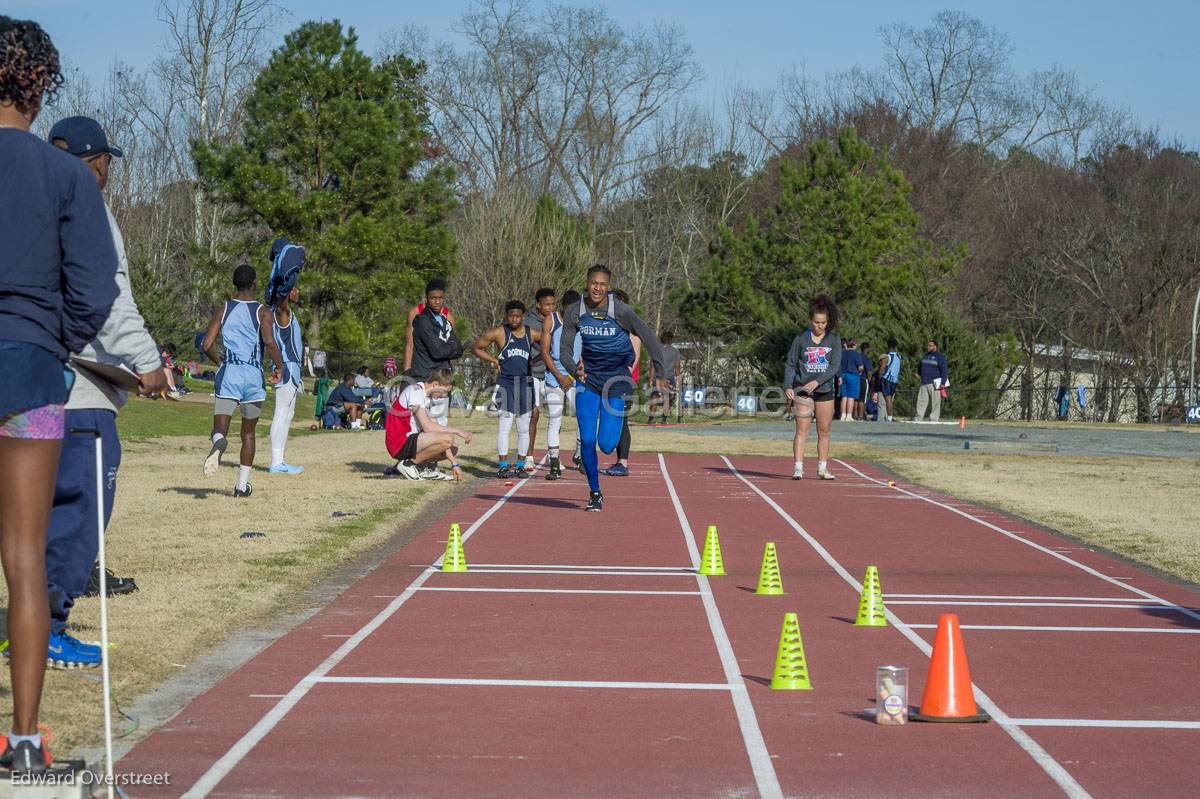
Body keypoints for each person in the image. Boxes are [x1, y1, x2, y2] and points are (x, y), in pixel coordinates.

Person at [0, 17, 121, 773]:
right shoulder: (71, 176)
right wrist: (53, 338)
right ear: (41, 85)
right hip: (31, 371)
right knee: (24, 553)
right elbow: (96, 289)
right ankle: (22, 742)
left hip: (31, 354)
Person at [38, 115, 166, 670]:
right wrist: (147, 361)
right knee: (79, 511)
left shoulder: (23, 204)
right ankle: (48, 628)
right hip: (80, 396)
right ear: (97, 163)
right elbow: (109, 298)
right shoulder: (86, 206)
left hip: (27, 386)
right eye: (107, 161)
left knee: (30, 514)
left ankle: (26, 621)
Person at [560, 265, 668, 512]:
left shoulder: (620, 310)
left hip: (617, 380)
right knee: (587, 440)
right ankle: (595, 492)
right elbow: (564, 347)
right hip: (588, 379)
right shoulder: (575, 311)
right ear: (586, 284)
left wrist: (660, 372)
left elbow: (649, 337)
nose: (598, 288)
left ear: (608, 287)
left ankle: (607, 457)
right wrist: (571, 367)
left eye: (602, 284)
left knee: (607, 444)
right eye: (593, 283)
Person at [200, 265, 285, 497]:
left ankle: (218, 441)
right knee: (248, 434)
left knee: (220, 427)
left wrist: (220, 362)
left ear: (235, 283)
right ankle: (241, 486)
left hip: (230, 373)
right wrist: (279, 366)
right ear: (254, 283)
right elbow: (268, 342)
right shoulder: (263, 312)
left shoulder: (224, 309)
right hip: (253, 377)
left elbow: (206, 345)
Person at [472, 301, 542, 478]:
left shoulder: (531, 333)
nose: (514, 319)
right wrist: (493, 360)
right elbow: (477, 347)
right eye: (511, 315)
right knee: (505, 425)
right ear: (506, 315)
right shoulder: (499, 332)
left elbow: (549, 344)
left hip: (525, 383)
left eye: (518, 315)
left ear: (523, 316)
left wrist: (539, 358)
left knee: (523, 427)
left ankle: (520, 464)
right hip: (506, 383)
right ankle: (503, 465)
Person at [783, 296, 842, 480]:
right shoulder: (800, 339)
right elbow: (791, 363)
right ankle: (798, 468)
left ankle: (822, 468)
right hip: (803, 390)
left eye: (823, 323)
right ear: (811, 321)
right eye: (816, 322)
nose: (820, 326)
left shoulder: (833, 340)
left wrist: (818, 381)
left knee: (824, 430)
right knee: (802, 429)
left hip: (825, 391)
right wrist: (788, 385)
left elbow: (834, 366)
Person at [384, 368, 473, 480]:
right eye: (444, 391)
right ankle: (408, 464)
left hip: (410, 439)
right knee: (448, 438)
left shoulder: (427, 398)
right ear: (435, 384)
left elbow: (437, 431)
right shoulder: (415, 391)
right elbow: (428, 427)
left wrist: (454, 464)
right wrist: (458, 431)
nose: (444, 396)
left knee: (452, 447)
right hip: (399, 442)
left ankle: (424, 469)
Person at [265, 237, 305, 474]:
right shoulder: (281, 312)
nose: (297, 290)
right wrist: (285, 276)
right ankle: (275, 461)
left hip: (293, 369)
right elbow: (279, 300)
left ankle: (280, 459)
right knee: (281, 413)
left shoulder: (282, 311)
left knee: (288, 414)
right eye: (294, 288)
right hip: (287, 367)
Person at [406, 279, 463, 427]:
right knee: (422, 426)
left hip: (443, 377)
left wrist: (449, 348)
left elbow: (459, 349)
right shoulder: (422, 320)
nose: (437, 302)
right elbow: (438, 351)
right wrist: (449, 347)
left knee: (441, 424)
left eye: (440, 298)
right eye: (433, 298)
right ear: (427, 299)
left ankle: (440, 451)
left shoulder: (446, 321)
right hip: (426, 377)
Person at [540, 289, 580, 481]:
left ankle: (580, 454)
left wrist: (579, 372)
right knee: (555, 420)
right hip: (554, 378)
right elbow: (545, 353)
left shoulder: (583, 321)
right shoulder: (552, 320)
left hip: (575, 378)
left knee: (584, 417)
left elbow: (586, 350)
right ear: (563, 306)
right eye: (570, 308)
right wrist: (559, 376)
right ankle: (554, 465)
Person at [604, 289, 640, 477]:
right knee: (612, 422)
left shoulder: (631, 332)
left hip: (622, 384)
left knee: (622, 422)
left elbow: (632, 362)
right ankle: (619, 461)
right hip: (607, 384)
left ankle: (623, 463)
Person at [522, 288, 557, 473]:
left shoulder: (557, 320)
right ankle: (528, 456)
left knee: (555, 416)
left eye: (553, 304)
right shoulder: (528, 323)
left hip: (552, 374)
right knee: (534, 415)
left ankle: (554, 457)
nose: (551, 307)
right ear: (538, 305)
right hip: (534, 373)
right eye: (547, 304)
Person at [647, 330, 681, 425]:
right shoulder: (675, 351)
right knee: (667, 399)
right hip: (669, 377)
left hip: (658, 377)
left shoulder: (657, 350)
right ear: (671, 340)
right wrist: (678, 380)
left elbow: (653, 365)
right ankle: (664, 419)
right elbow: (677, 367)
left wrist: (650, 379)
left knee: (654, 398)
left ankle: (650, 419)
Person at [914, 339, 949, 422]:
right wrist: (918, 375)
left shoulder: (940, 357)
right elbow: (920, 368)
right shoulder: (925, 356)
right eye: (928, 345)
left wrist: (943, 383)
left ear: (935, 346)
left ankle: (933, 419)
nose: (928, 347)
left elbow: (944, 371)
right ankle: (918, 418)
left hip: (935, 383)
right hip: (924, 383)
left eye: (930, 345)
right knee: (921, 402)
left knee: (935, 402)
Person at [838, 338, 862, 422]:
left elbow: (838, 365)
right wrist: (860, 371)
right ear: (854, 345)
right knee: (851, 397)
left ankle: (843, 415)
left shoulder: (842, 353)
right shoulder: (856, 354)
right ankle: (849, 415)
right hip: (853, 376)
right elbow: (860, 367)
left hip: (843, 375)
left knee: (844, 396)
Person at [880, 338, 901, 422]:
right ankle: (889, 417)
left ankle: (889, 417)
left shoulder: (887, 357)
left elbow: (882, 369)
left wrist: (879, 377)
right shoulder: (899, 356)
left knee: (888, 399)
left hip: (887, 380)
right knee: (890, 399)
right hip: (894, 380)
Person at [856, 341, 872, 420]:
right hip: (863, 380)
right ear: (867, 349)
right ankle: (861, 416)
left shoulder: (858, 356)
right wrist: (870, 381)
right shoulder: (866, 358)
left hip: (856, 379)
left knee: (856, 399)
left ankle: (854, 415)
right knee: (862, 399)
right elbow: (868, 371)